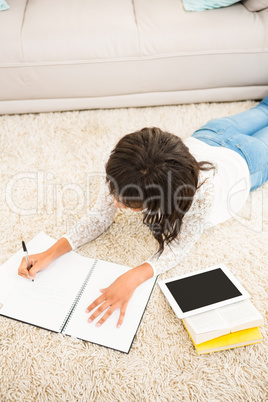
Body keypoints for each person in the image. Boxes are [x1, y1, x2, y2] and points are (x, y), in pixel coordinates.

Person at [18, 97, 268, 328]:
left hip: (249, 162)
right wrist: (51, 252)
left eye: (127, 203)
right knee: (263, 109)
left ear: (162, 200)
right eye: (114, 192)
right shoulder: (125, 166)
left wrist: (133, 277)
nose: (115, 203)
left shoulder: (202, 194)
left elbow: (178, 248)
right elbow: (99, 217)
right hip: (213, 134)